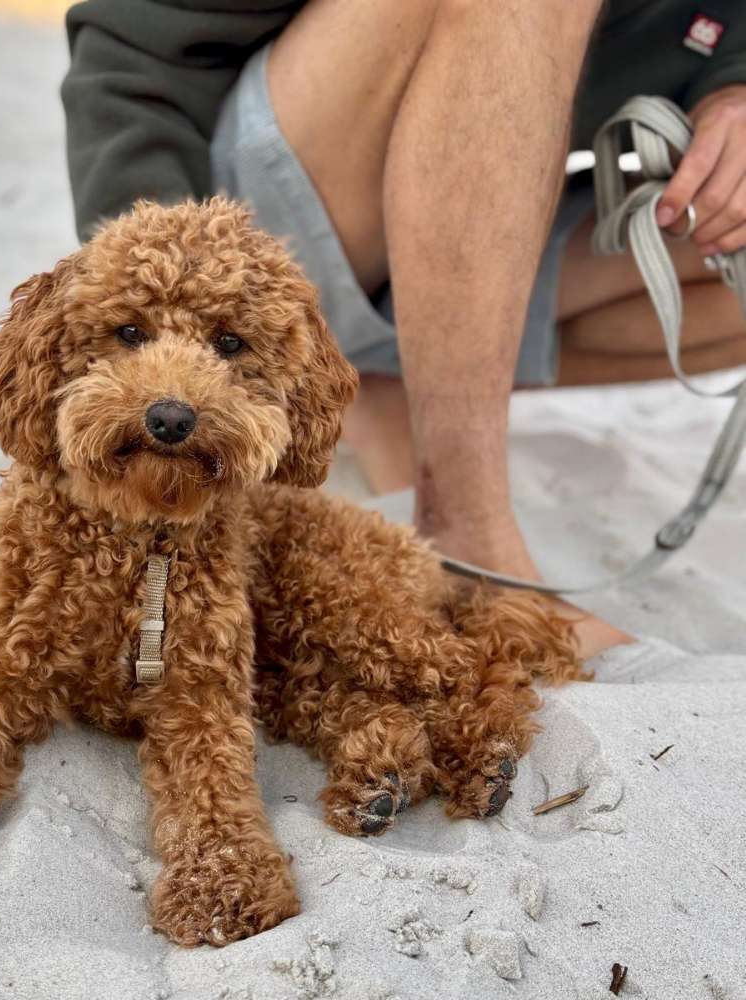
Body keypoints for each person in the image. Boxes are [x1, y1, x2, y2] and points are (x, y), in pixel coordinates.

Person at [60, 0, 746, 658]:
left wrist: (730, 85)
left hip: (463, 211)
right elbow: (127, 47)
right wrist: (163, 310)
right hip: (249, 233)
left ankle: (384, 377)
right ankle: (467, 537)